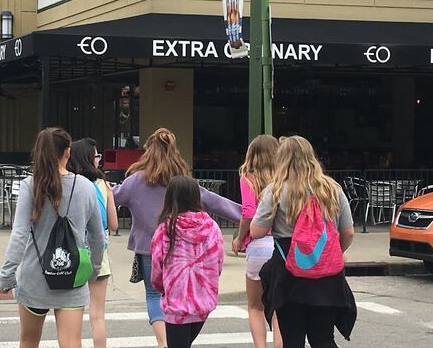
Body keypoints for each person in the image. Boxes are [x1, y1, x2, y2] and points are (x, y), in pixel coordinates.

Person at [112, 127, 241, 348]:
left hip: (146, 247)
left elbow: (112, 199)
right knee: (178, 295)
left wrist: (100, 189)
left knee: (154, 295)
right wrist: (246, 215)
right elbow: (213, 201)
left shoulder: (135, 181)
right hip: (180, 249)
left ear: (148, 151)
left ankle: (163, 342)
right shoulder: (181, 180)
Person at [0, 128, 106, 348]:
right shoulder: (86, 186)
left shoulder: (31, 185)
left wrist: (7, 274)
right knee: (71, 342)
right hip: (73, 277)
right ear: (68, 152)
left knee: (28, 340)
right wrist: (93, 270)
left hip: (34, 277)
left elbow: (19, 234)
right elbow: (97, 236)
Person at [250, 136, 357, 348]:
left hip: (289, 274)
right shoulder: (332, 189)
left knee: (292, 339)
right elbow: (349, 232)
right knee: (323, 338)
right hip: (328, 277)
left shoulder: (276, 190)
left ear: (282, 159)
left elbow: (256, 231)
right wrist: (330, 254)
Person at [151, 176, 224, 348]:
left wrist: (163, 287)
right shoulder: (212, 227)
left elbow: (156, 267)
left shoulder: (165, 229)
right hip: (203, 302)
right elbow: (218, 263)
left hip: (176, 303)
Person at [231, 135, 283, 348]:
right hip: (279, 245)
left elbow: (248, 212)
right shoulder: (282, 180)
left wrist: (239, 238)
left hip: (257, 246)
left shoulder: (248, 178)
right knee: (279, 308)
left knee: (255, 306)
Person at [66, 138, 118, 348]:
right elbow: (113, 225)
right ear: (89, 158)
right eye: (97, 155)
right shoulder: (103, 185)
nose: (99, 159)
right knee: (97, 315)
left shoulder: (70, 184)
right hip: (98, 255)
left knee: (72, 312)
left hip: (73, 254)